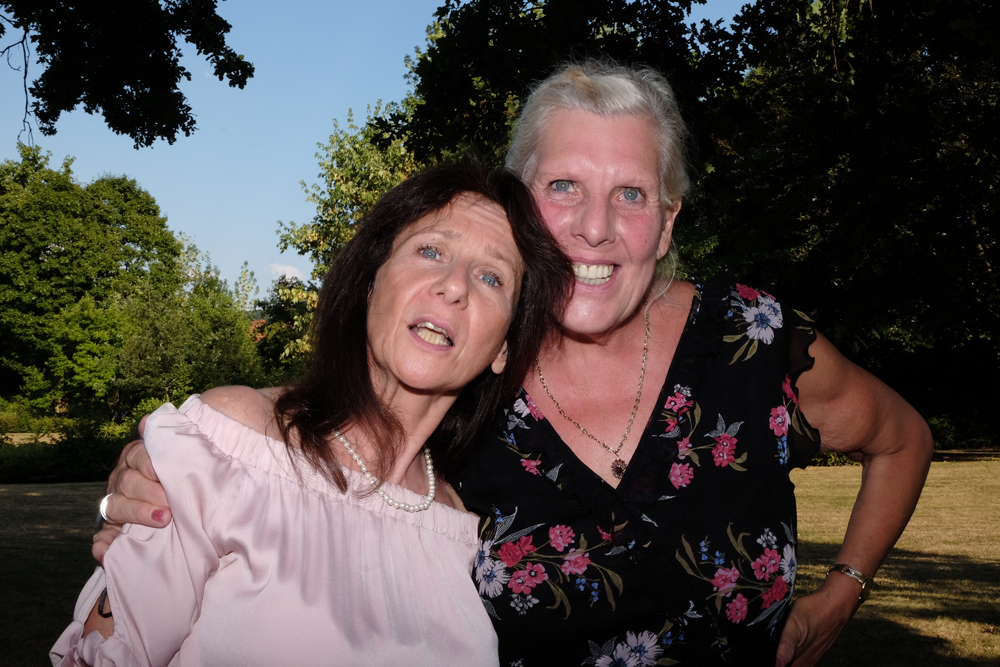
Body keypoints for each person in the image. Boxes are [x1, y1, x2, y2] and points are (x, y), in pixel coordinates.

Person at [91, 61, 933, 666]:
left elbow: (903, 439)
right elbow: (334, 435)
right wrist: (194, 455)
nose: (596, 227)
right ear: (519, 201)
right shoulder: (470, 386)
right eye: (564, 186)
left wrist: (841, 594)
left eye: (631, 194)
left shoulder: (750, 340)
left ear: (668, 222)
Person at [50, 160, 573, 665]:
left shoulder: (462, 531)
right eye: (431, 250)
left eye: (492, 277)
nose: (455, 286)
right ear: (370, 284)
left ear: (504, 347)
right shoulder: (232, 439)